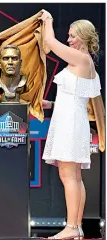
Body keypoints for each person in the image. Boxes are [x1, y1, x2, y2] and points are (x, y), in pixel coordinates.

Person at [39, 9, 102, 240]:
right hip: (72, 120)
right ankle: (76, 227)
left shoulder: (82, 58)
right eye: (69, 35)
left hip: (71, 124)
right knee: (73, 176)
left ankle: (72, 227)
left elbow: (49, 42)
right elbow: (76, 96)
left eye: (73, 35)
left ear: (84, 37)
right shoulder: (84, 62)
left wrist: (48, 20)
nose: (69, 40)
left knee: (69, 176)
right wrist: (52, 103)